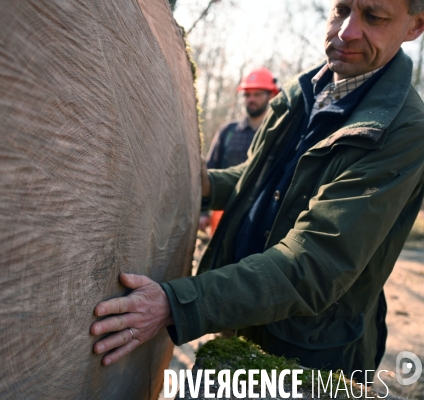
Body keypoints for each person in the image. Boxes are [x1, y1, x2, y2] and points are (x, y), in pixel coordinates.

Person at [90, 0, 424, 380]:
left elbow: (316, 263)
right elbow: (257, 181)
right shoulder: (303, 93)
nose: (347, 31)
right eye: (341, 9)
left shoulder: (403, 130)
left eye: (374, 16)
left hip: (309, 353)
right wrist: (200, 184)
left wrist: (177, 305)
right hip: (245, 321)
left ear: (415, 27)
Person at [199, 67, 279, 233]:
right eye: (247, 94)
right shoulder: (228, 131)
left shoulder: (278, 134)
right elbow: (210, 169)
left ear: (271, 95)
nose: (251, 99)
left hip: (260, 216)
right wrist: (203, 211)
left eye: (257, 94)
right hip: (223, 210)